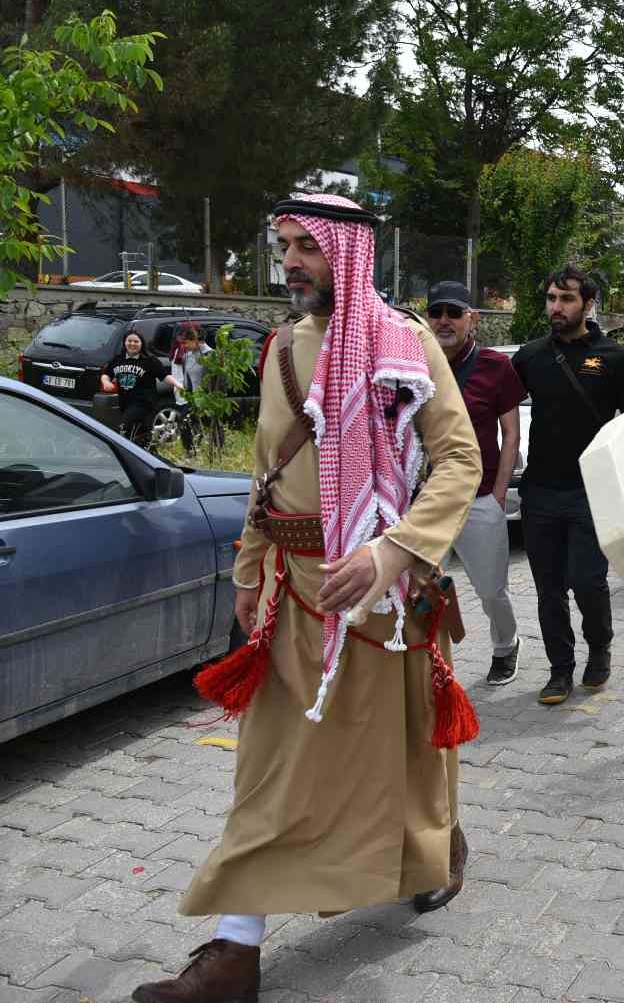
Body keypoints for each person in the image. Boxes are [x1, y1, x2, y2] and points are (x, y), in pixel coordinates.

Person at [133, 195, 482, 1003]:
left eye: (307, 248)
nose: (290, 263)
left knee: (408, 747)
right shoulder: (284, 347)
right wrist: (249, 571)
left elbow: (458, 460)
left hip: (384, 598)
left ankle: (435, 847)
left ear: (350, 253)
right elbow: (265, 473)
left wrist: (392, 551)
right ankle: (233, 951)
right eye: (284, 245)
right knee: (268, 768)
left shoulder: (406, 341)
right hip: (294, 591)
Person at [512, 265, 624, 706]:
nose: (556, 307)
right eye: (551, 298)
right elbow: (494, 407)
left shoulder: (614, 358)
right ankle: (559, 671)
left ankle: (600, 645)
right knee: (549, 589)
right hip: (540, 493)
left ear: (588, 305)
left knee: (587, 582)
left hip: (592, 493)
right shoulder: (529, 356)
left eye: (566, 299)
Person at [426, 281, 526, 685]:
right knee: (422, 586)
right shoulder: (417, 362)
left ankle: (506, 645)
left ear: (473, 318)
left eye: (454, 312)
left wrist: (499, 494)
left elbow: (512, 434)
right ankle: (427, 659)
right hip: (428, 499)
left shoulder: (494, 367)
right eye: (437, 313)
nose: (445, 321)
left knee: (490, 590)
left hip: (480, 496)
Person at [101, 329, 166, 446]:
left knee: (124, 427)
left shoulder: (149, 361)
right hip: (125, 402)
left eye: (136, 342)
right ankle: (149, 453)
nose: (132, 344)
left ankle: (124, 450)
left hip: (144, 402)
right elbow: (106, 374)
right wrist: (106, 382)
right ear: (124, 343)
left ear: (141, 344)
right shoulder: (117, 359)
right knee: (140, 432)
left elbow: (165, 376)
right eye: (129, 341)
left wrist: (178, 385)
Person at [168, 324, 211, 454]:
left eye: (185, 343)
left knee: (209, 427)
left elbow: (219, 382)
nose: (183, 346)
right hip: (193, 399)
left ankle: (213, 452)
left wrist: (208, 399)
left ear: (195, 339)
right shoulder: (187, 356)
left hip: (209, 400)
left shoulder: (211, 355)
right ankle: (190, 452)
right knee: (185, 423)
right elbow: (188, 381)